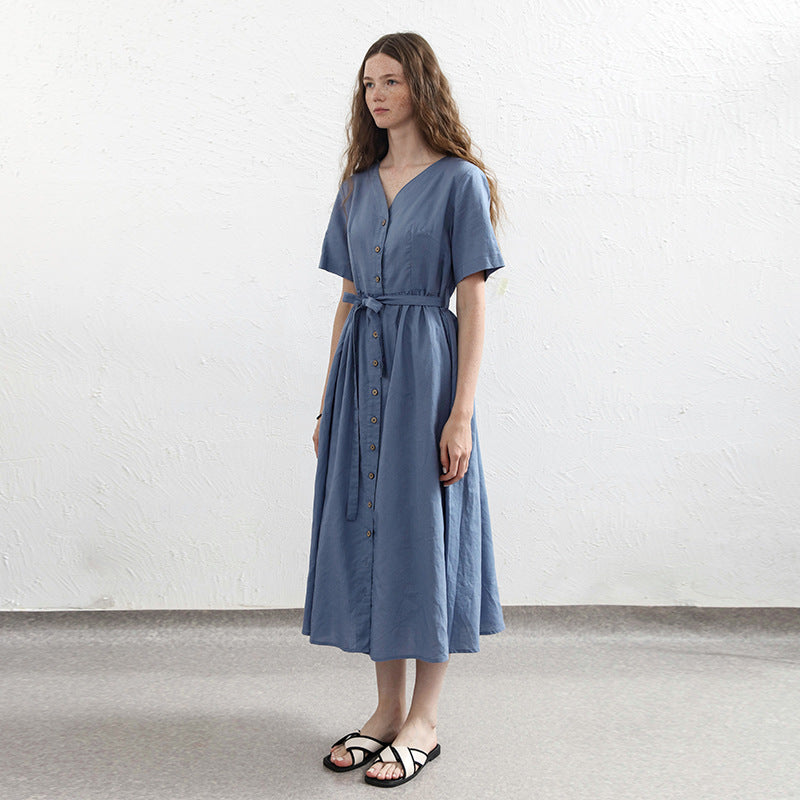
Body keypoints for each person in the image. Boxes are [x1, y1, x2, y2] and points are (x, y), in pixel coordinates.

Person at [302, 31, 507, 787]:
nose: (377, 95)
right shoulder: (356, 186)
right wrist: (327, 404)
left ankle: (424, 719)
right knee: (372, 532)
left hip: (427, 378)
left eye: (390, 80)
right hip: (359, 380)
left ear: (420, 85)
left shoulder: (460, 181)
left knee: (427, 535)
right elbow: (348, 297)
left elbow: (473, 300)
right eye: (368, 84)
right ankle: (386, 710)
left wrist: (461, 414)